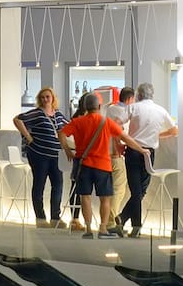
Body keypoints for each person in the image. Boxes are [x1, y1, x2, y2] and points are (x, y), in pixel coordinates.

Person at [62, 91, 150, 239]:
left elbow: (61, 133)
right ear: (99, 106)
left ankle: (88, 229)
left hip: (84, 164)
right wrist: (141, 149)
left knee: (85, 197)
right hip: (102, 165)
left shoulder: (77, 122)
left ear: (84, 106)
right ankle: (103, 229)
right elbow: (125, 138)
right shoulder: (106, 122)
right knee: (105, 198)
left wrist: (67, 151)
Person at [120, 82, 179, 239]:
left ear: (138, 95)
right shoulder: (161, 110)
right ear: (152, 94)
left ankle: (126, 220)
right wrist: (157, 135)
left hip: (132, 151)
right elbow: (174, 130)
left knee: (136, 191)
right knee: (141, 191)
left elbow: (117, 123)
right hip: (149, 153)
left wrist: (123, 138)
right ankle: (132, 224)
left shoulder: (133, 108)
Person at [15, 88, 69, 228]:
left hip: (56, 155)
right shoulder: (37, 113)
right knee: (39, 185)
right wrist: (29, 137)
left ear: (52, 98)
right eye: (43, 97)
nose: (45, 99)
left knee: (58, 185)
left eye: (48, 97)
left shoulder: (57, 114)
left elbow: (69, 126)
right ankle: (40, 218)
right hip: (39, 155)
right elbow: (17, 119)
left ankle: (55, 217)